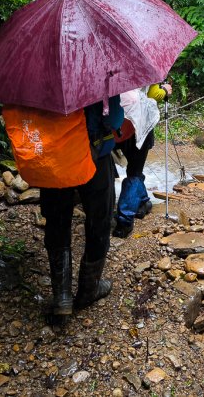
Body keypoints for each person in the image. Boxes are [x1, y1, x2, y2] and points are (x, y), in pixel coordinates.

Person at [38, 96, 123, 320]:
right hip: (95, 155)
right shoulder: (97, 70)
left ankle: (62, 297)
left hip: (54, 158)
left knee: (57, 220)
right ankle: (88, 289)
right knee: (99, 220)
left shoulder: (40, 74)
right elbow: (114, 119)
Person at [112, 83, 171, 238]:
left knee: (135, 170)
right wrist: (164, 90)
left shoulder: (107, 66)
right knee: (135, 172)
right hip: (136, 121)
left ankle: (143, 202)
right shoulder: (144, 64)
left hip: (113, 122)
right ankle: (124, 222)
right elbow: (152, 94)